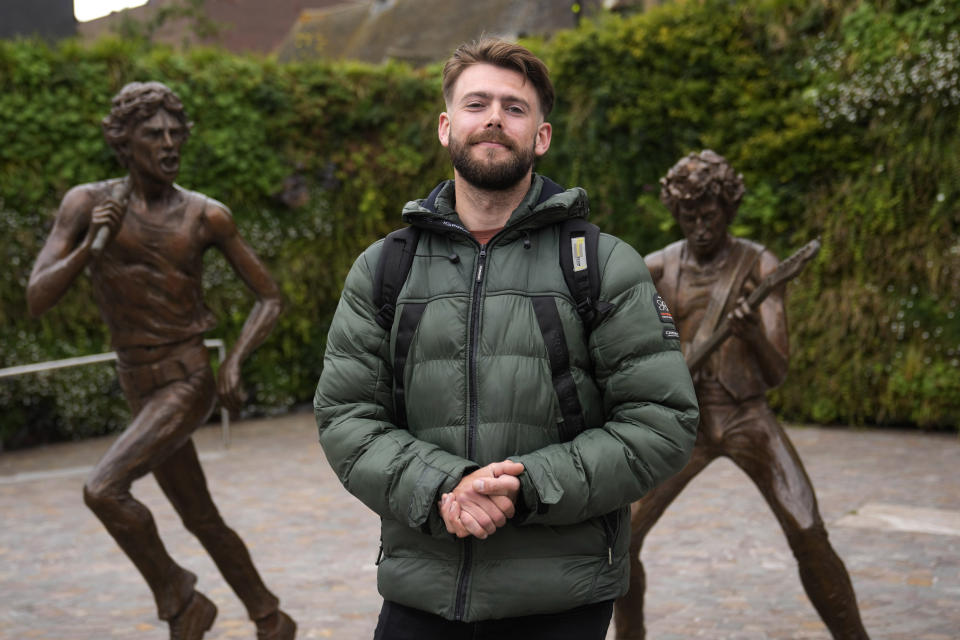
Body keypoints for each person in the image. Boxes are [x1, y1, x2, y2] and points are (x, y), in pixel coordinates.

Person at [314, 39, 699, 640]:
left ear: (541, 136)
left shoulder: (601, 264)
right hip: (420, 596)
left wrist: (523, 490)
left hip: (560, 604)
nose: (494, 117)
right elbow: (346, 416)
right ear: (447, 126)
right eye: (476, 103)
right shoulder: (385, 267)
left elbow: (662, 421)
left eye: (514, 107)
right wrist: (446, 487)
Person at [26, 81, 296, 640]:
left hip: (186, 377)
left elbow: (269, 296)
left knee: (104, 489)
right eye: (154, 134)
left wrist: (235, 362)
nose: (170, 144)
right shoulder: (86, 205)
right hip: (137, 381)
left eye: (177, 133)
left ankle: (180, 598)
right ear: (124, 143)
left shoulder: (205, 217)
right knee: (200, 516)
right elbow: (37, 297)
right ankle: (271, 617)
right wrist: (89, 244)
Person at [613, 150, 869, 639]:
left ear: (729, 210)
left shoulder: (760, 265)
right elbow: (627, 352)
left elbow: (777, 372)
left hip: (747, 416)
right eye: (689, 217)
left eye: (709, 215)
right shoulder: (658, 269)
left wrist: (751, 335)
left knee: (808, 531)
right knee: (619, 539)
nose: (700, 226)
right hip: (683, 421)